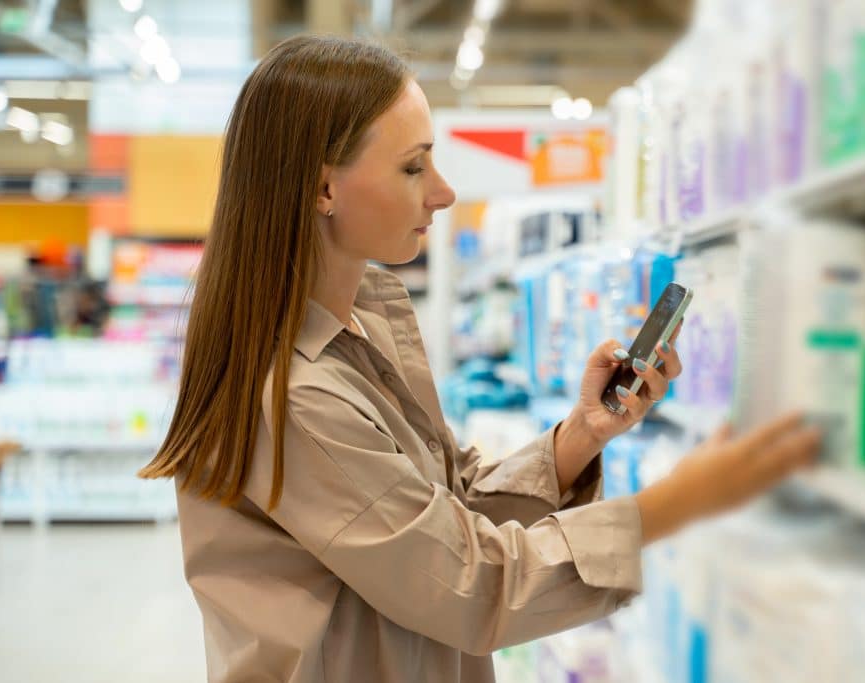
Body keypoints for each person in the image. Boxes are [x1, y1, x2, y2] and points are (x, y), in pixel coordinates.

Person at [138, 35, 821, 683]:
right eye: (413, 166)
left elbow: (448, 504)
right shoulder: (293, 395)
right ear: (323, 190)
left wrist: (580, 436)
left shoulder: (362, 329)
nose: (443, 191)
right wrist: (675, 505)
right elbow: (470, 583)